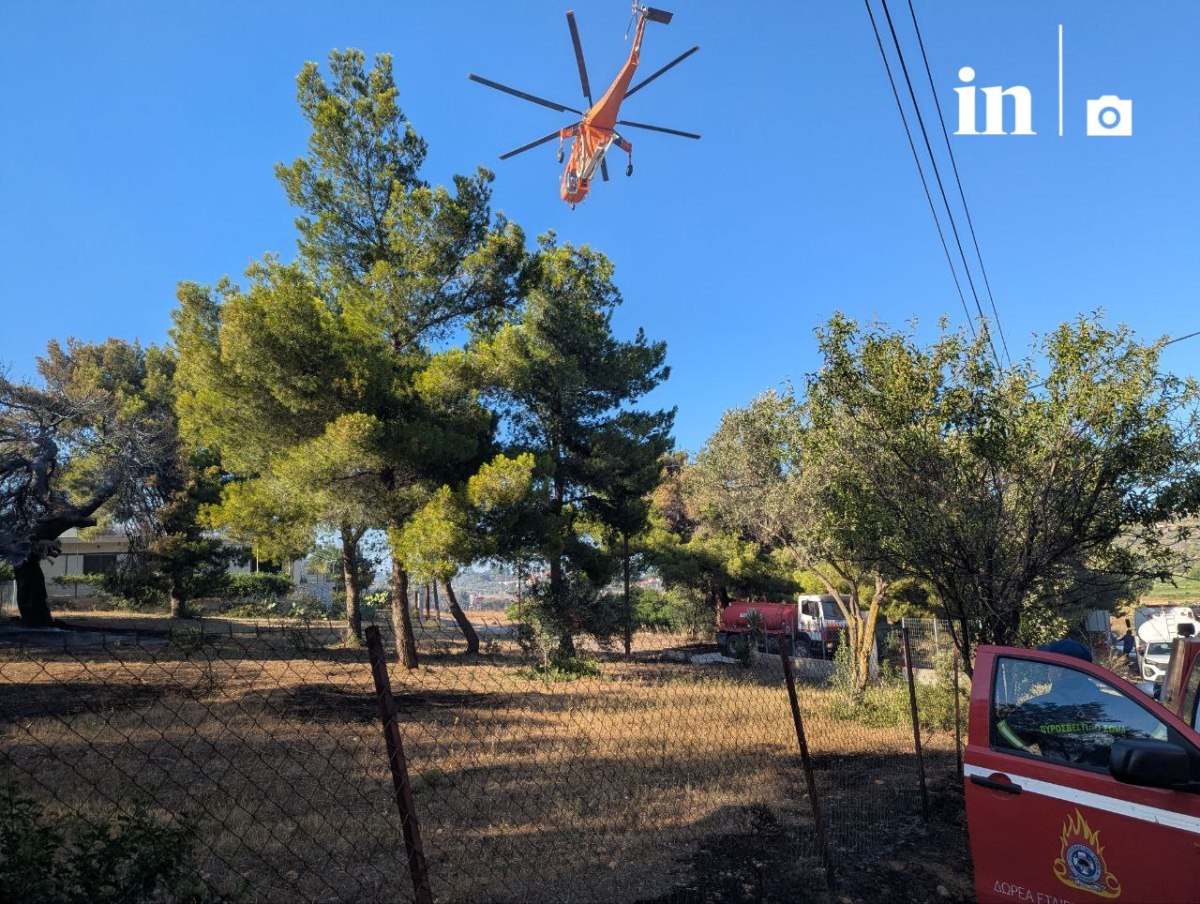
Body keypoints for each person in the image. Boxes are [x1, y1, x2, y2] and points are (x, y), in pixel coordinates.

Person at [995, 639, 1167, 768]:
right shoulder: (1121, 705)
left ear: (1060, 670)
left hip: (1060, 793)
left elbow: (1000, 744)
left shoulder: (1038, 709)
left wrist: (1040, 772)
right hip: (1116, 794)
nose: (1048, 669)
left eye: (1051, 665)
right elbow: (1161, 739)